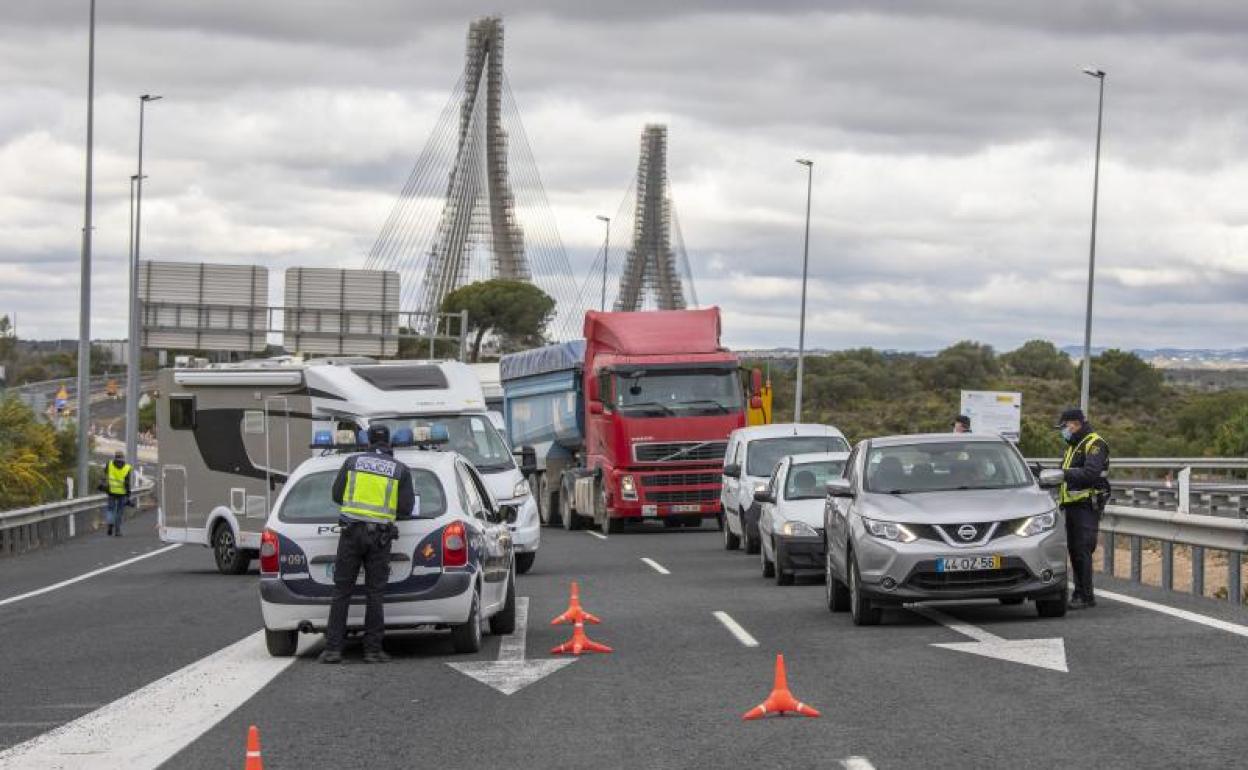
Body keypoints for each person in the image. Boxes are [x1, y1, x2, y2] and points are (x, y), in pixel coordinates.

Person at [321, 425, 415, 664]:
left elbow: (335, 495)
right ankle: (372, 650)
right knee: (375, 593)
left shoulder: (353, 462)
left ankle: (333, 650)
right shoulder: (400, 470)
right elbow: (405, 508)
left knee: (342, 591)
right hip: (379, 538)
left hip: (351, 534)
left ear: (368, 441)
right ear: (389, 443)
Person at [1055, 407, 1110, 610]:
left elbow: (1090, 474)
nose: (1063, 431)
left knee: (1082, 550)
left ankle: (1085, 596)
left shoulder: (1094, 444)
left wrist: (1061, 474)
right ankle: (1079, 593)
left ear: (1075, 424)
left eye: (1064, 426)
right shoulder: (1073, 445)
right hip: (1073, 505)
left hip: (1086, 504)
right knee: (1075, 550)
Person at [98, 451, 133, 537]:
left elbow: (104, 476)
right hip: (122, 493)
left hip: (111, 491)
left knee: (110, 510)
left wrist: (102, 484)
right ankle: (117, 531)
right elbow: (127, 483)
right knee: (119, 512)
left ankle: (110, 524)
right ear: (123, 457)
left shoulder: (109, 464)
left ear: (115, 457)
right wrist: (128, 495)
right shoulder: (127, 468)